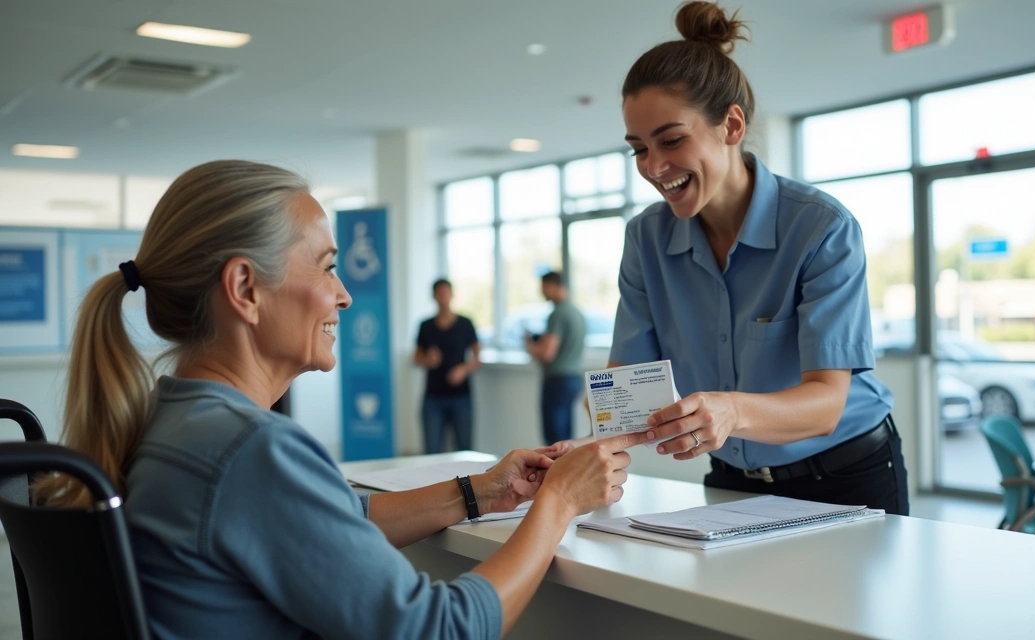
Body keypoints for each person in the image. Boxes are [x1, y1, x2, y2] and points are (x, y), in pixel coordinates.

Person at [40, 159, 647, 639]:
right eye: (327, 268)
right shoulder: (248, 449)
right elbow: (439, 629)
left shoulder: (174, 422)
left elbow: (333, 522)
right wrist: (560, 504)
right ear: (246, 288)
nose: (345, 296)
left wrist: (483, 492)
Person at [546, 1, 907, 515]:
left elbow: (826, 404)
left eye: (671, 140)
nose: (654, 167)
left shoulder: (820, 228)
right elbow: (626, 385)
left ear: (731, 125)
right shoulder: (646, 240)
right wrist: (591, 443)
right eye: (639, 149)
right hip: (733, 479)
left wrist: (731, 411)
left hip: (846, 474)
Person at [414, 278, 480, 453]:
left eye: (446, 293)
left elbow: (477, 356)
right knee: (432, 449)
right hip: (433, 397)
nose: (443, 297)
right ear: (434, 296)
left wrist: (463, 369)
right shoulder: (426, 326)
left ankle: (466, 482)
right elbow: (416, 357)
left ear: (452, 295)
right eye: (439, 293)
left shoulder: (465, 324)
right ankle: (436, 482)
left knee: (464, 448)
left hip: (461, 396)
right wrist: (427, 359)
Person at [524, 271, 587, 446]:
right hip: (573, 378)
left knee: (554, 440)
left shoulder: (557, 314)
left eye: (543, 287)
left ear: (552, 286)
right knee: (566, 437)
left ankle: (555, 473)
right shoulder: (576, 312)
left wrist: (530, 346)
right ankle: (569, 472)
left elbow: (547, 353)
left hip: (557, 381)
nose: (542, 292)